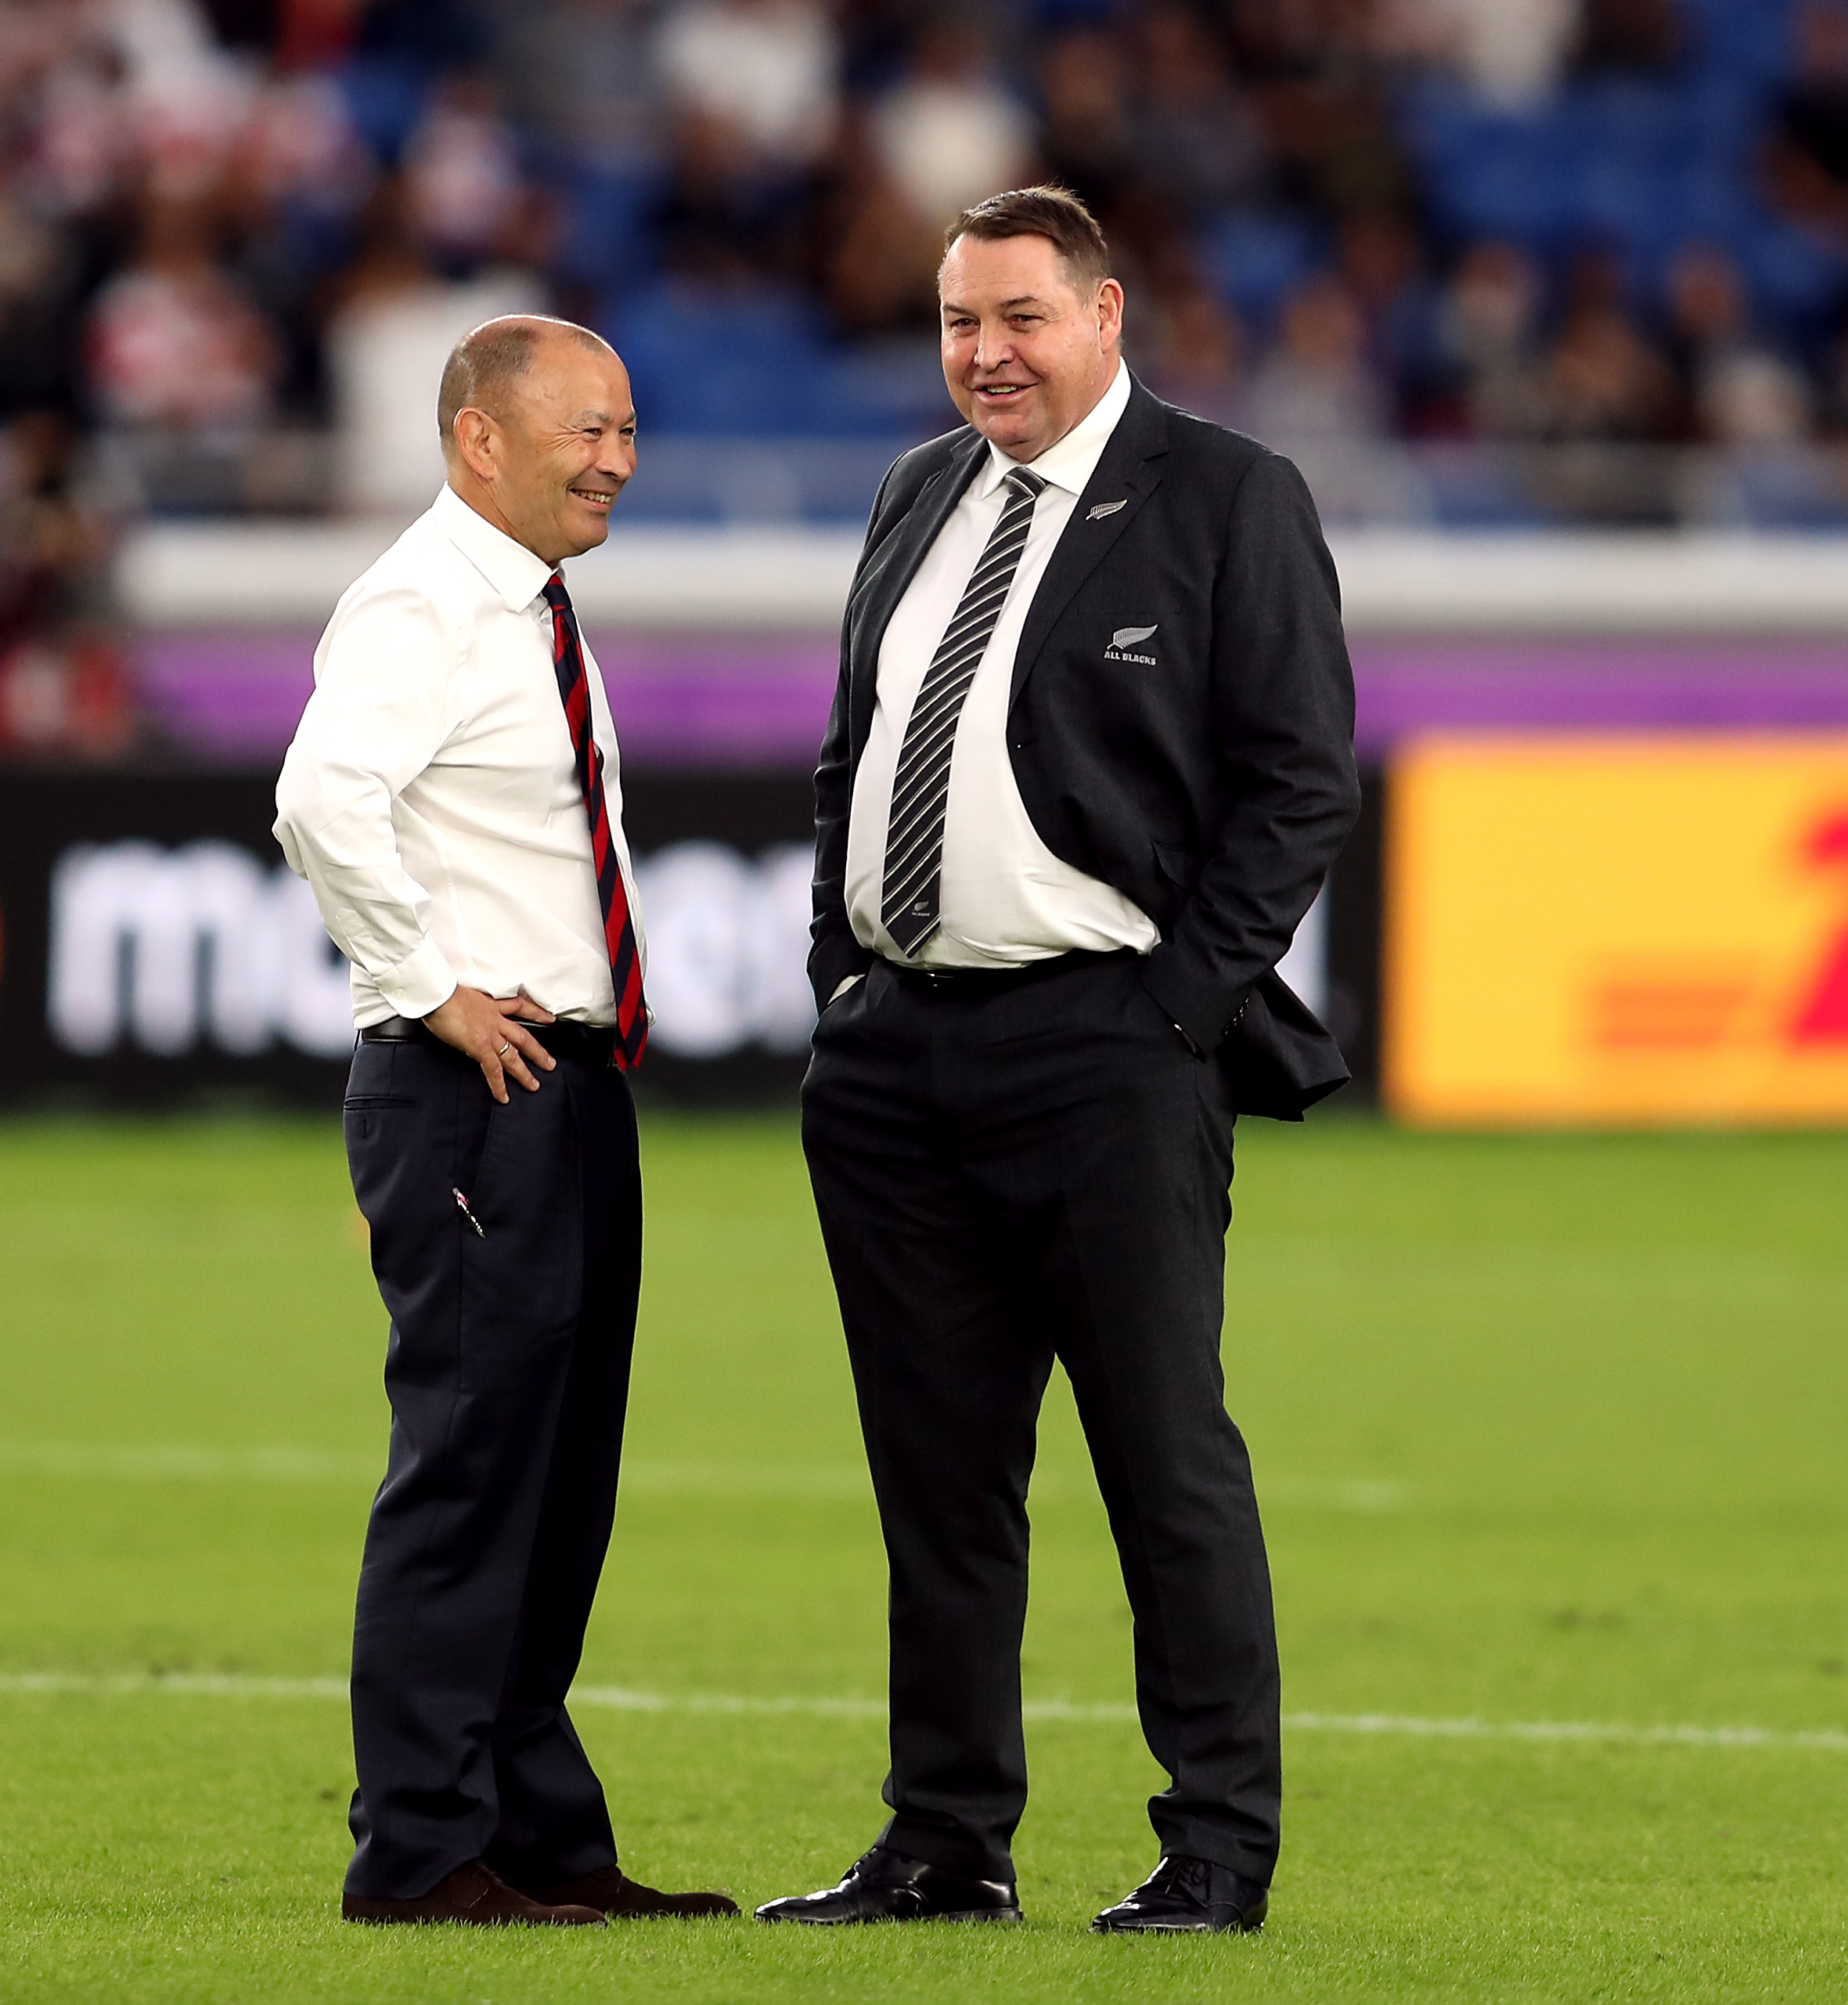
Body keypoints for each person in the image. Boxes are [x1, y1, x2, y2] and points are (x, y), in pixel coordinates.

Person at [761, 187, 1356, 1935]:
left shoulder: (1229, 495)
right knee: (937, 1476)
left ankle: (1215, 1855)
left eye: (1017, 316)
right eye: (957, 322)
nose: (983, 354)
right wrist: (837, 978)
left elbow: (1298, 780)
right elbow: (851, 751)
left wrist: (1173, 1008)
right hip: (894, 1061)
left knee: (1161, 1465)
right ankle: (945, 1844)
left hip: (1103, 1051)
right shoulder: (913, 491)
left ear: (1105, 314)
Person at [272, 314, 733, 1928]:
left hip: (564, 1089)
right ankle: (418, 1851)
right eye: (585, 426)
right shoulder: (422, 599)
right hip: (479, 1088)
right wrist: (430, 987)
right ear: (480, 438)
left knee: (555, 1477)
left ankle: (530, 1829)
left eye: (624, 426)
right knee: (472, 1468)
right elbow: (318, 799)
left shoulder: (526, 606)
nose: (615, 454)